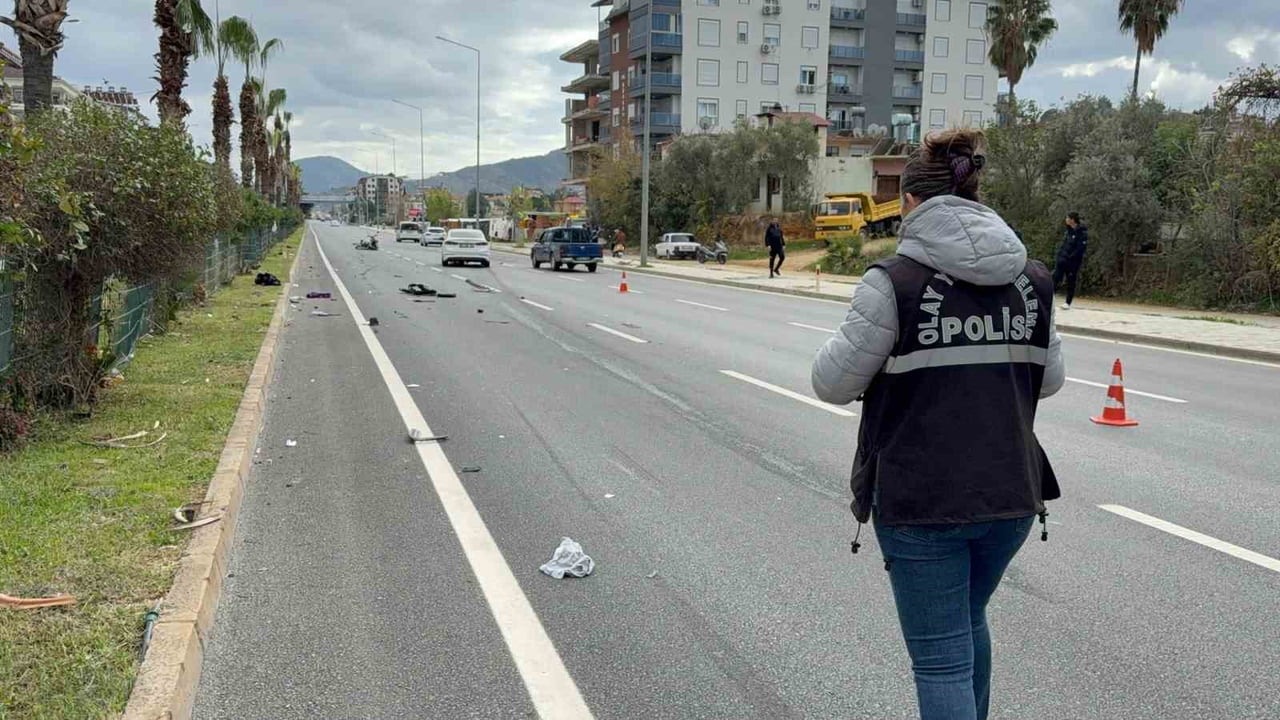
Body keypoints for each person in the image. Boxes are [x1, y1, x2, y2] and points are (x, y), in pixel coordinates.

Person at [810, 129, 1064, 720]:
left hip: (923, 504)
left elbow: (831, 383)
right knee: (967, 624)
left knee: (942, 661)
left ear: (909, 203)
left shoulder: (892, 284)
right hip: (1012, 499)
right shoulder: (1034, 282)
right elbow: (1048, 380)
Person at [1054, 212, 1088, 310]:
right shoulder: (1068, 231)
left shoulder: (1082, 233)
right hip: (1062, 260)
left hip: (1073, 262)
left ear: (1072, 220)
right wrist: (1060, 256)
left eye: (1068, 218)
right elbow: (1064, 245)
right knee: (1056, 278)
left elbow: (1080, 249)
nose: (1066, 220)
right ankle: (1051, 298)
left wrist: (1070, 258)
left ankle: (1068, 302)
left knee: (1071, 281)